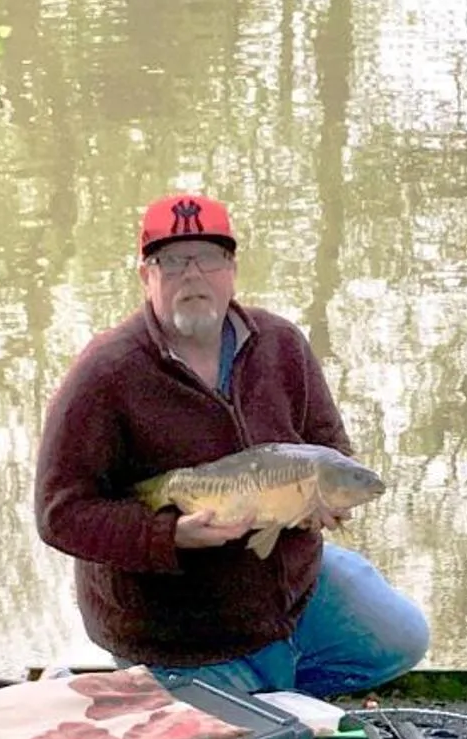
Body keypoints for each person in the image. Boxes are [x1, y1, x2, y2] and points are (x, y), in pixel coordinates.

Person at [34, 192, 430, 701]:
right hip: (178, 630)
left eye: (209, 258)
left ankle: (273, 685)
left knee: (403, 639)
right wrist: (171, 535)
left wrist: (321, 505)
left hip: (294, 585)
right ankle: (202, 691)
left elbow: (328, 443)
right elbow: (60, 514)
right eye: (172, 261)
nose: (192, 275)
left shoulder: (280, 344)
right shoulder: (104, 375)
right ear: (146, 275)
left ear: (232, 269)